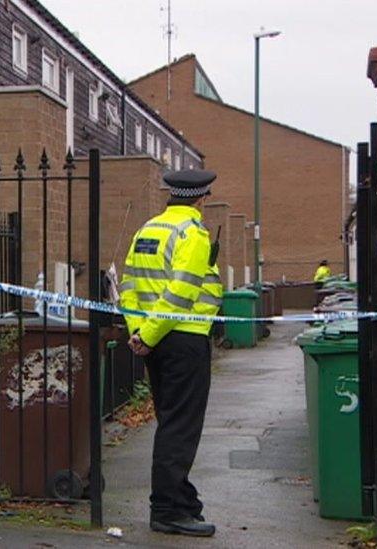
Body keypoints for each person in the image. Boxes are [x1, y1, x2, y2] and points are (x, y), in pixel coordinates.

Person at [118, 169, 217, 537]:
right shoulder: (193, 233)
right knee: (180, 427)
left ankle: (182, 501)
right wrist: (151, 333)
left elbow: (128, 286)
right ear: (201, 198)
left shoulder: (147, 230)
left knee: (170, 422)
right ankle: (167, 510)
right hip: (184, 339)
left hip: (155, 341)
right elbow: (181, 294)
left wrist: (140, 333)